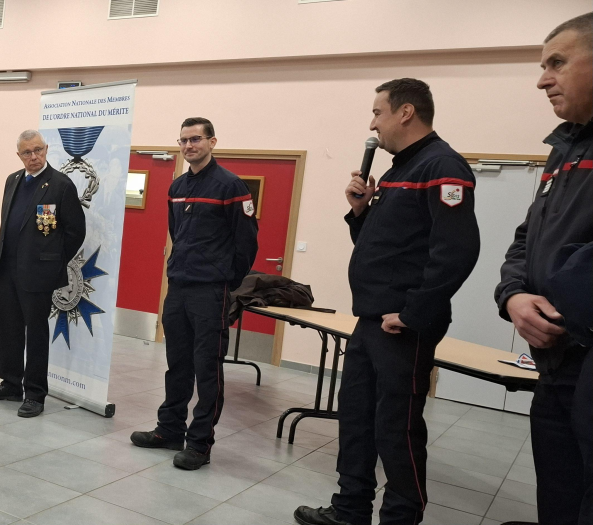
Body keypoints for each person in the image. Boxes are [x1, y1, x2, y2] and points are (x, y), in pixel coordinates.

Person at [294, 79, 481, 525]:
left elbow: (456, 251)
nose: (372, 123)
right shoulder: (398, 170)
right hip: (370, 318)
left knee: (396, 429)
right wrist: (361, 212)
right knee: (357, 419)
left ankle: (400, 517)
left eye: (377, 112)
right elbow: (385, 245)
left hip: (403, 325)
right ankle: (350, 508)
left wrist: (416, 312)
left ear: (406, 112)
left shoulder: (442, 166)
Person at [495, 13, 592, 525]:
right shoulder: (563, 151)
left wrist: (554, 302)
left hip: (584, 348)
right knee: (557, 488)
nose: (542, 79)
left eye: (557, 62)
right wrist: (513, 296)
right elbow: (525, 241)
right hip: (555, 364)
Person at [129, 117, 259, 470]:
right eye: (183, 140)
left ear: (212, 142)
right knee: (178, 365)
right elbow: (178, 232)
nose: (189, 146)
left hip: (210, 292)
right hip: (179, 288)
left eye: (196, 139)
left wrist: (226, 280)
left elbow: (247, 243)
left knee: (207, 369)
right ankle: (169, 429)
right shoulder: (178, 186)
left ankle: (199, 444)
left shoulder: (231, 187)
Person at [0, 130, 85, 418]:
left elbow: (76, 231)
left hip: (38, 273)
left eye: (38, 150)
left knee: (35, 333)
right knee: (8, 329)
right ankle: (10, 384)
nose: (34, 157)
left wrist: (53, 260)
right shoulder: (12, 180)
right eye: (27, 152)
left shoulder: (61, 184)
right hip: (7, 269)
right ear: (19, 155)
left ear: (46, 149)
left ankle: (35, 393)